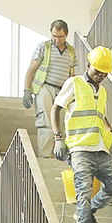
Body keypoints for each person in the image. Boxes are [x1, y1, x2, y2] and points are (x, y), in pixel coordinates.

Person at [50, 46, 112, 223]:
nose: (101, 75)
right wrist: (58, 138)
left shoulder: (103, 91)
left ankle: (89, 212)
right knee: (83, 193)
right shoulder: (74, 83)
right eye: (97, 71)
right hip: (80, 149)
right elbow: (56, 108)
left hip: (100, 148)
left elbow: (99, 115)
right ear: (88, 64)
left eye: (105, 73)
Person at [22, 20, 75, 158]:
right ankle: (45, 156)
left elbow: (72, 74)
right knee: (46, 123)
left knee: (61, 123)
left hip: (63, 90)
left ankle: (58, 155)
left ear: (66, 34)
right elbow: (31, 70)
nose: (57, 40)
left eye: (60, 36)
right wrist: (27, 90)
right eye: (54, 36)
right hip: (45, 87)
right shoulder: (44, 47)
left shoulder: (71, 51)